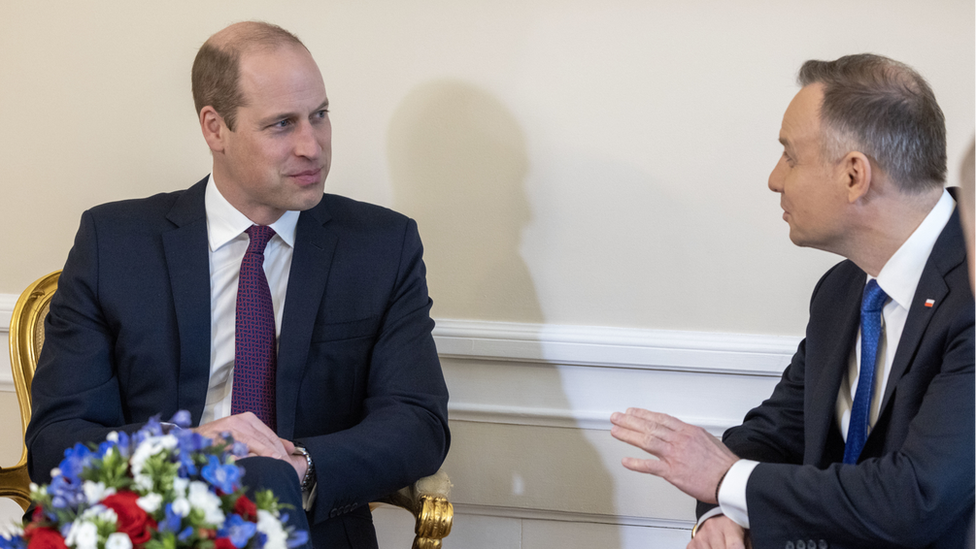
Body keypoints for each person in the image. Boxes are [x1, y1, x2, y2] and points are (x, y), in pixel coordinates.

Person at [25, 21, 450, 549]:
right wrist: (188, 449)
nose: (311, 146)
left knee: (267, 478)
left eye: (320, 116)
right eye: (281, 124)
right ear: (214, 128)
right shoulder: (115, 243)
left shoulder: (382, 247)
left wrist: (301, 467)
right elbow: (57, 441)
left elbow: (417, 422)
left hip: (306, 527)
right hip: (151, 527)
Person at [611, 54, 976, 548]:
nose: (774, 179)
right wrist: (719, 509)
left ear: (854, 176)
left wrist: (725, 479)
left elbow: (915, 499)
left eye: (790, 156)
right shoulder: (842, 289)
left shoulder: (970, 296)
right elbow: (775, 431)